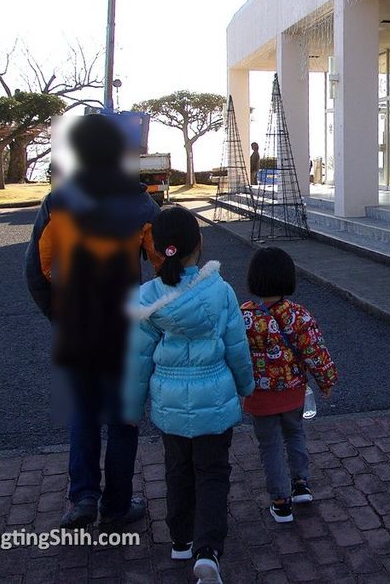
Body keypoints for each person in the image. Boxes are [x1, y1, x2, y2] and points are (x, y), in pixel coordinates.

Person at [24, 113, 161, 531]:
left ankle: (83, 496)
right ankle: (117, 504)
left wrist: (57, 315)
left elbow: (37, 271)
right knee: (123, 418)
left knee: (83, 413)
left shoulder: (59, 201)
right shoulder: (141, 204)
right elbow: (165, 266)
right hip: (124, 328)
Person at [122, 206, 254, 584]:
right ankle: (208, 551)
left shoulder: (147, 298)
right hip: (215, 398)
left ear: (155, 249)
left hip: (171, 405)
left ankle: (180, 539)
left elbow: (139, 358)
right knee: (213, 472)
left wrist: (132, 406)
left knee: (177, 470)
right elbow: (236, 346)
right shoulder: (220, 289)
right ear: (199, 243)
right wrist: (247, 386)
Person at [241, 247, 338, 523]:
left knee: (269, 445)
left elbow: (235, 353)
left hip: (259, 395)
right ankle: (301, 485)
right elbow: (315, 351)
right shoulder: (298, 314)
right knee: (295, 435)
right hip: (293, 390)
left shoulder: (244, 316)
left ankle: (281, 501)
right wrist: (326, 381)